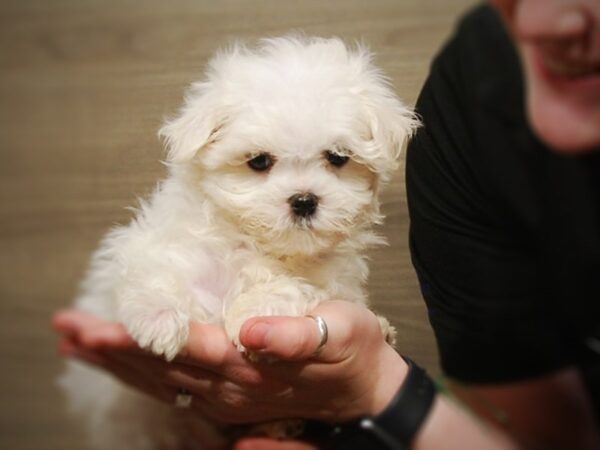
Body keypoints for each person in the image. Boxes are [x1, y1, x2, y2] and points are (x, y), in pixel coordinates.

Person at [53, 1, 600, 449]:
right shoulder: (183, 232)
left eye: (337, 160)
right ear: (204, 149)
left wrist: (371, 377)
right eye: (261, 163)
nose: (303, 195)